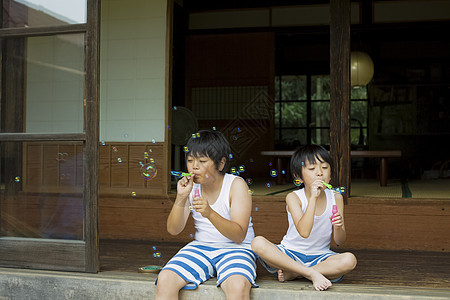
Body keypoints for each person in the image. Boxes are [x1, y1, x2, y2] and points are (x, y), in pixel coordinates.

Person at [155, 130, 257, 300]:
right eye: (190, 160)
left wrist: (209, 213)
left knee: (237, 286)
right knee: (165, 279)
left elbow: (239, 235)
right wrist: (181, 197)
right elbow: (173, 229)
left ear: (221, 163)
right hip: (201, 247)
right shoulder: (190, 187)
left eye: (202, 161)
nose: (194, 166)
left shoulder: (236, 185)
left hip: (238, 248)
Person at [251, 144, 357, 291]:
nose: (320, 173)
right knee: (257, 243)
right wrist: (313, 198)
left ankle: (295, 273)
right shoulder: (294, 197)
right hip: (289, 254)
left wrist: (338, 228)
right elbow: (304, 232)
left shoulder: (336, 197)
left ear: (331, 174)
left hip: (320, 256)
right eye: (312, 169)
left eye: (325, 168)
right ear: (298, 177)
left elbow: (339, 241)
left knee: (349, 260)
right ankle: (310, 273)